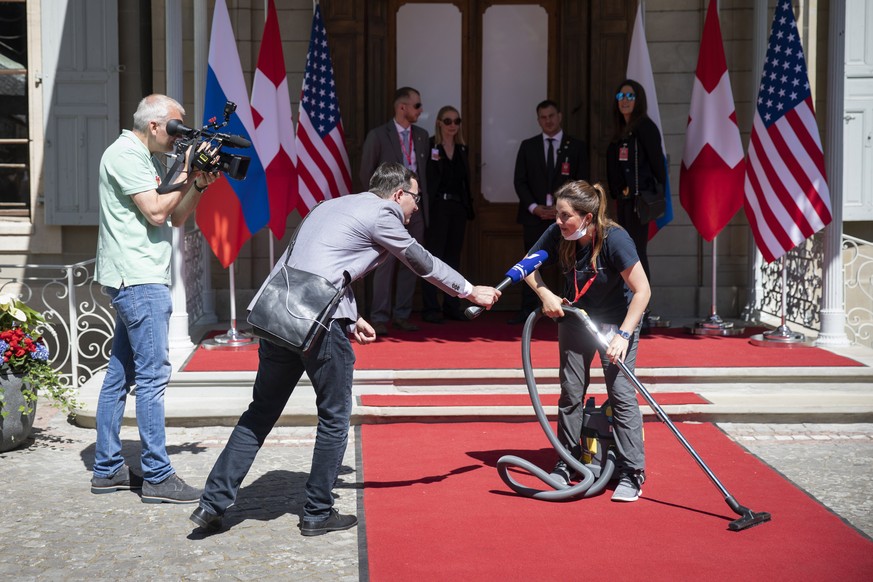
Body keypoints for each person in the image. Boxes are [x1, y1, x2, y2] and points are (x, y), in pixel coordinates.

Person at [190, 162, 502, 536]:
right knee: (334, 419)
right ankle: (317, 512)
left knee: (259, 414)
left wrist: (352, 318)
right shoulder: (383, 213)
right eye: (415, 199)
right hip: (319, 324)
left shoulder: (329, 204)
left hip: (278, 314)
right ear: (398, 194)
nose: (417, 208)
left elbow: (325, 263)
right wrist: (469, 290)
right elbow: (421, 261)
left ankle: (211, 503)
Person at [90, 94, 218, 503]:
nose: (180, 137)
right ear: (155, 126)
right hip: (138, 279)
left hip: (139, 276)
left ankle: (107, 469)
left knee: (119, 377)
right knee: (152, 379)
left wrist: (197, 181)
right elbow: (156, 213)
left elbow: (178, 216)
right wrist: (186, 167)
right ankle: (158, 477)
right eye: (177, 128)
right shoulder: (125, 154)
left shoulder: (147, 157)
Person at [521, 180, 650, 502]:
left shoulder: (615, 239)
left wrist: (623, 336)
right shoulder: (559, 235)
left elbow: (643, 291)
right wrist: (546, 293)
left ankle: (632, 472)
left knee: (620, 394)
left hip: (617, 322)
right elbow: (526, 267)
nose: (559, 221)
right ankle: (568, 461)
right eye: (558, 215)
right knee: (571, 391)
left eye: (566, 216)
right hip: (577, 318)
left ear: (588, 218)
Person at [359, 87, 430, 335]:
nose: (420, 110)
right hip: (387, 210)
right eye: (417, 105)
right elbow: (367, 172)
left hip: (416, 209)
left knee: (412, 261)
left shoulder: (421, 135)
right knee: (384, 263)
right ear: (402, 108)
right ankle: (379, 316)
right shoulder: (378, 135)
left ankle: (402, 314)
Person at [511, 99, 589, 324]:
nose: (548, 121)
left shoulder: (576, 146)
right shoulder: (528, 146)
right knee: (531, 262)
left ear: (560, 116)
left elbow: (581, 182)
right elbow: (520, 181)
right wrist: (535, 208)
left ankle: (570, 308)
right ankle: (527, 311)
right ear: (538, 120)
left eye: (551, 116)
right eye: (543, 117)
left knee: (568, 262)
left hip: (568, 218)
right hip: (534, 216)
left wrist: (561, 211)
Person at [606, 79, 666, 285]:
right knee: (624, 250)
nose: (624, 100)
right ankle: (628, 301)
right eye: (621, 96)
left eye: (630, 96)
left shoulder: (645, 127)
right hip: (623, 201)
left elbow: (658, 165)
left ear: (638, 99)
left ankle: (643, 305)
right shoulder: (620, 128)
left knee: (636, 251)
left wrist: (651, 192)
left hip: (640, 201)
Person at [421, 106, 474, 323]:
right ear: (439, 123)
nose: (453, 125)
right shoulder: (430, 146)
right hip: (437, 208)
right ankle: (431, 308)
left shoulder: (462, 149)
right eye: (448, 121)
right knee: (433, 258)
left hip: (457, 209)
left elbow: (465, 182)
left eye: (456, 121)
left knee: (453, 259)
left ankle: (452, 305)